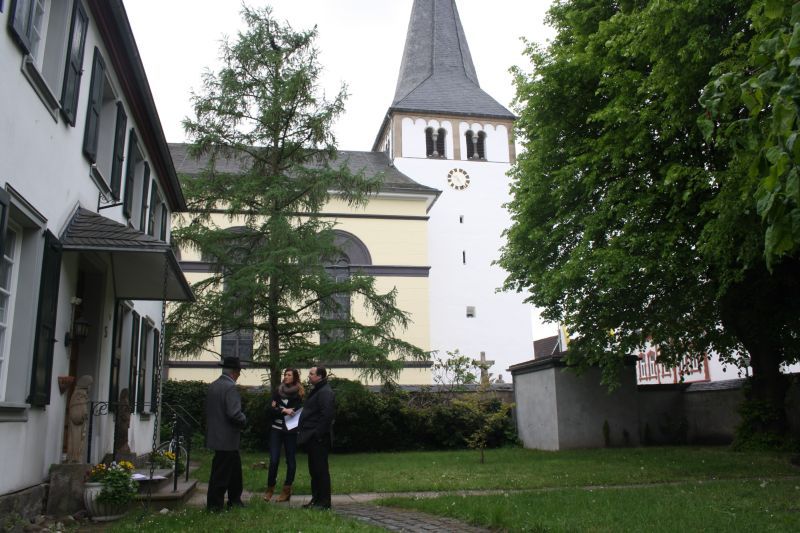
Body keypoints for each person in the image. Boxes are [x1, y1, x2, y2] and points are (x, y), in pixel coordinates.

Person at [205, 356, 247, 512]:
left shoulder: (214, 385)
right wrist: (244, 419)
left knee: (235, 471)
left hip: (217, 435)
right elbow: (234, 414)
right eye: (239, 372)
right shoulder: (230, 388)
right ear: (235, 372)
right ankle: (214, 506)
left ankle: (235, 499)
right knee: (221, 474)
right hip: (227, 437)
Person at [263, 368, 304, 503]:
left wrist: (278, 409)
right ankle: (270, 488)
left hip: (290, 431)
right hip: (276, 429)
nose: (286, 377)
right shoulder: (278, 391)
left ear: (294, 377)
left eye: (289, 375)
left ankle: (287, 490)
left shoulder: (299, 394)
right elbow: (270, 409)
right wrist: (284, 410)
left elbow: (297, 411)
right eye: (285, 374)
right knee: (274, 460)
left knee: (290, 461)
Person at [297, 365, 335, 510]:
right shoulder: (318, 390)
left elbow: (327, 415)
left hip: (319, 438)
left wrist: (318, 434)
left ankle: (324, 502)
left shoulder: (325, 392)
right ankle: (316, 499)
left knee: (320, 470)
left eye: (312, 374)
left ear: (320, 376)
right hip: (313, 437)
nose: (309, 376)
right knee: (314, 470)